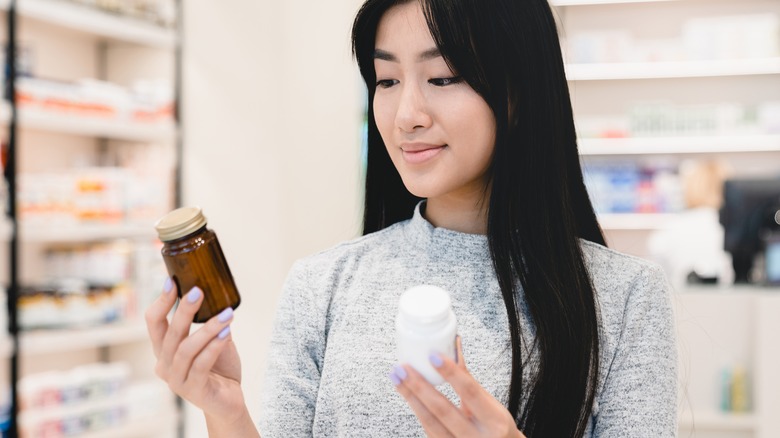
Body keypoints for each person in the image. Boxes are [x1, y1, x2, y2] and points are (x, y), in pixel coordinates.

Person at [145, 0, 678, 437]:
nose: (407, 115)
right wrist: (226, 413)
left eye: (442, 77)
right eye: (386, 80)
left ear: (518, 91)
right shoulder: (322, 285)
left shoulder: (624, 298)